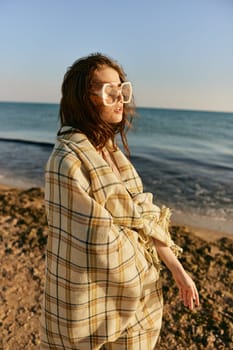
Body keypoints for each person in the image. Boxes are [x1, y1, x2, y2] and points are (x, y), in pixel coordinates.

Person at [40, 53, 199, 350]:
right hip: (90, 301)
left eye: (122, 89)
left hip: (138, 298)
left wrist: (178, 271)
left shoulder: (112, 153)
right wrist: (144, 263)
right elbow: (94, 242)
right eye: (108, 91)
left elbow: (143, 215)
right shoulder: (66, 162)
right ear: (83, 99)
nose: (120, 98)